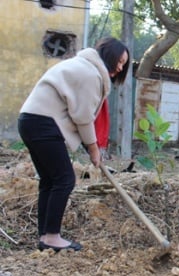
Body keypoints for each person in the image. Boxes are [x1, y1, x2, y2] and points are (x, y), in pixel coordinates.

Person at [18, 37, 130, 252]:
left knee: (50, 180)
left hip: (30, 120)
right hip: (43, 123)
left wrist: (91, 146)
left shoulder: (82, 65)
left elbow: (76, 113)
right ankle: (51, 236)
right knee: (65, 178)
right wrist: (94, 148)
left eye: (123, 64)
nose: (119, 67)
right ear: (108, 55)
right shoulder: (91, 74)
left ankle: (46, 235)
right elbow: (83, 116)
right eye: (119, 61)